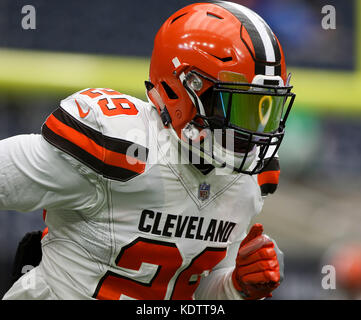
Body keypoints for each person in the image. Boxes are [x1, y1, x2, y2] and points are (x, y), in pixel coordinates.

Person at [0, 1, 295, 300]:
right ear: (180, 89)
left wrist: (235, 285)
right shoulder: (116, 143)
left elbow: (192, 288)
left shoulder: (249, 178)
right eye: (237, 107)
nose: (253, 130)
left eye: (263, 110)